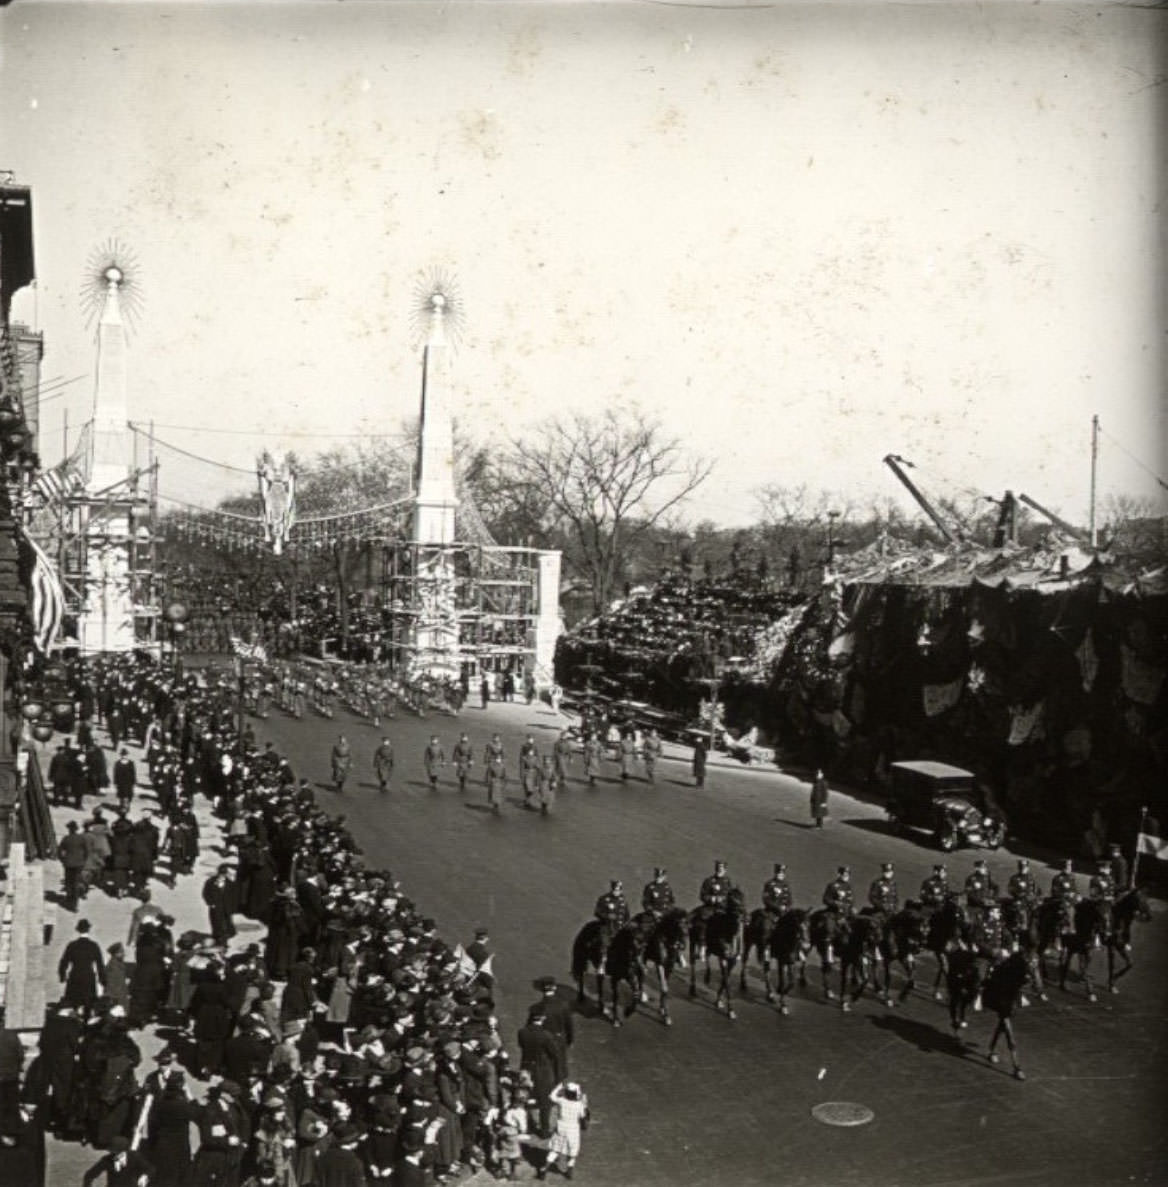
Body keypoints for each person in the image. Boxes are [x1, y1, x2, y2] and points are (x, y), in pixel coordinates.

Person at [516, 1009, 565, 1140]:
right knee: (545, 1100)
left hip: (526, 1067)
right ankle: (544, 1129)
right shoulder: (546, 1035)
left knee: (525, 1095)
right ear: (542, 1019)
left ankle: (525, 1125)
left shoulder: (522, 1032)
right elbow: (554, 1054)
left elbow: (521, 1046)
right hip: (543, 1069)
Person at [539, 1081, 589, 1181]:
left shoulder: (562, 1101)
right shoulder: (579, 1105)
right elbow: (584, 1117)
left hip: (561, 1129)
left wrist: (558, 1088)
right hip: (573, 1131)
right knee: (572, 1152)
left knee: (555, 1150)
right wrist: (585, 1104)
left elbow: (551, 1096)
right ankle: (569, 1172)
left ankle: (544, 1169)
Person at [58, 918, 105, 1015]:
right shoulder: (93, 946)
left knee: (74, 1003)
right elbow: (100, 964)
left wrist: (62, 975)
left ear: (78, 930)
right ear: (88, 930)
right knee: (88, 1004)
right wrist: (103, 980)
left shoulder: (72, 945)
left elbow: (64, 962)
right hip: (88, 977)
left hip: (75, 976)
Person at [81, 1135, 154, 1187]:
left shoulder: (134, 1157)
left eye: (118, 1153)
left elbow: (150, 1168)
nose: (115, 1156)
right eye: (113, 1152)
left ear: (125, 1151)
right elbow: (89, 1175)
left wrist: (144, 1176)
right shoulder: (107, 1160)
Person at [202, 864, 237, 948]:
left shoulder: (230, 883)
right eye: (221, 873)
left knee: (226, 925)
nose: (222, 875)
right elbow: (205, 893)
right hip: (216, 908)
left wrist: (232, 906)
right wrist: (210, 903)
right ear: (218, 873)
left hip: (226, 908)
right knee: (216, 924)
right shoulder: (210, 882)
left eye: (224, 873)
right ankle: (218, 940)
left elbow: (234, 896)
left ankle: (224, 941)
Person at [58, 820, 88, 911]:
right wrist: (83, 861)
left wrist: (63, 860)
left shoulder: (66, 838)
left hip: (68, 864)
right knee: (75, 882)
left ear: (69, 829)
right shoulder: (81, 838)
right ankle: (74, 904)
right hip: (79, 864)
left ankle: (69, 899)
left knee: (68, 882)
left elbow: (59, 851)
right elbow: (87, 851)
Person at [593, 880, 629, 952]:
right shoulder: (604, 899)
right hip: (607, 927)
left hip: (620, 928)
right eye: (615, 890)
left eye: (619, 890)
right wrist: (607, 916)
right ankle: (603, 959)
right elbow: (597, 912)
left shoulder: (623, 900)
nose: (616, 892)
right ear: (612, 889)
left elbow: (627, 915)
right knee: (605, 944)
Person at [1088, 858, 1116, 934]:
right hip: (1100, 904)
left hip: (1110, 904)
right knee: (1105, 918)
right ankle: (1104, 934)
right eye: (1107, 868)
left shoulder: (1110, 879)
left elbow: (1113, 892)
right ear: (1101, 869)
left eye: (1109, 868)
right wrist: (1105, 898)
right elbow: (1093, 896)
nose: (1109, 870)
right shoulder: (1095, 880)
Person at [1050, 859, 1079, 930]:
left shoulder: (1072, 878)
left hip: (1073, 901)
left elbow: (1075, 890)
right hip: (1063, 902)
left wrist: (1078, 896)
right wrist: (1067, 895)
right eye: (1067, 866)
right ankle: (1069, 930)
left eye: (1070, 866)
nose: (1069, 868)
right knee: (1068, 912)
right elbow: (1055, 892)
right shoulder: (1058, 878)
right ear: (1063, 868)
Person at [112, 748, 137, 813]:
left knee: (129, 795)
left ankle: (127, 806)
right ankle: (121, 806)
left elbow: (133, 773)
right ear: (121, 755)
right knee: (121, 795)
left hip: (129, 782)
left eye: (125, 755)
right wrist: (115, 782)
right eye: (123, 755)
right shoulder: (117, 763)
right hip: (121, 782)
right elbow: (115, 773)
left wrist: (134, 782)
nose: (124, 756)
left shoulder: (131, 763)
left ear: (127, 755)